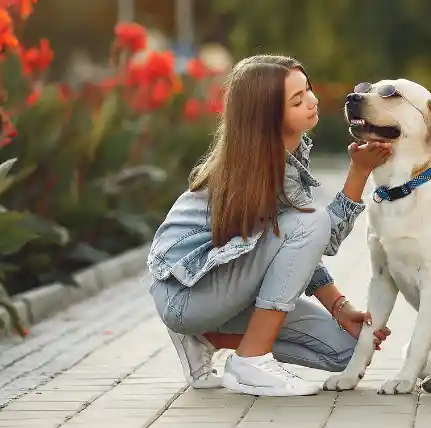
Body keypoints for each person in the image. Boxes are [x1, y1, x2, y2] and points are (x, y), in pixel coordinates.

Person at [146, 54, 393, 397]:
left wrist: (339, 307)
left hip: (227, 288)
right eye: (298, 99)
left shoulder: (289, 153)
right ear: (267, 116)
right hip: (188, 294)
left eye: (308, 89)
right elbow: (321, 236)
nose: (313, 101)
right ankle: (250, 361)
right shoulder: (252, 168)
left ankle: (207, 339)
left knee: (346, 351)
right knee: (311, 222)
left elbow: (292, 250)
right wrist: (359, 172)